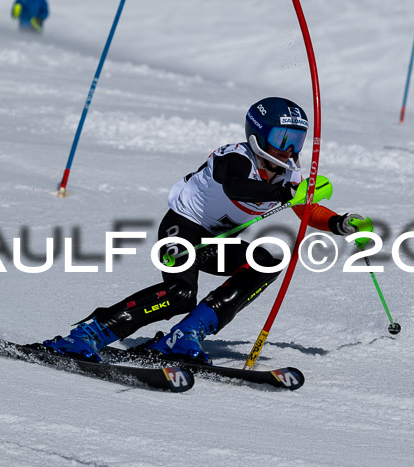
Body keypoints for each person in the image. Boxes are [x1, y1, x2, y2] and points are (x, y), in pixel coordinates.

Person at [41, 97, 366, 364]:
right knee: (180, 294)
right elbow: (237, 188)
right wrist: (285, 193)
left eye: (296, 141)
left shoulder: (286, 177)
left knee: (265, 263)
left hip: (216, 242)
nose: (289, 150)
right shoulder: (236, 158)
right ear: (257, 136)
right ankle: (88, 334)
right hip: (181, 229)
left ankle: (185, 336)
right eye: (282, 139)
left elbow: (306, 210)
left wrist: (339, 223)